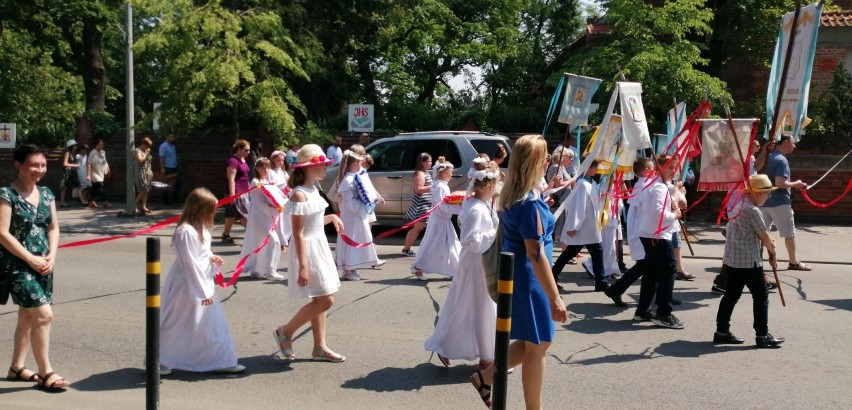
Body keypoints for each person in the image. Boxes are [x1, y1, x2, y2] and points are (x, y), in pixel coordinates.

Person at [469, 134, 568, 409]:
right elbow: (536, 256)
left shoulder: (520, 195)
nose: (549, 160)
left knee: (533, 344)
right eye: (546, 155)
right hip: (530, 278)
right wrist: (555, 297)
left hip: (526, 277)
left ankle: (485, 378)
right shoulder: (529, 204)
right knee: (538, 347)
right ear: (536, 161)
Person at [0, 144, 71, 391]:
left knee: (27, 316)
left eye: (42, 165)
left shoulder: (47, 194)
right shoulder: (6, 195)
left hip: (43, 264)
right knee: (44, 315)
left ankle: (17, 367)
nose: (39, 170)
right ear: (18, 165)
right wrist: (30, 258)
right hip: (17, 266)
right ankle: (45, 372)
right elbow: (2, 233)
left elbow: (52, 227)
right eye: (33, 165)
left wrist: (52, 255)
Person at [159, 188, 245, 374]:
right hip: (186, 285)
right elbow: (189, 263)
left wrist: (212, 258)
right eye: (211, 210)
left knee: (212, 323)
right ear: (198, 209)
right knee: (176, 323)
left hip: (203, 282)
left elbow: (201, 254)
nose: (214, 214)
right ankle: (162, 360)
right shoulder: (185, 232)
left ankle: (221, 360)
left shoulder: (202, 229)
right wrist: (202, 293)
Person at [273, 144, 346, 363]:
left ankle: (320, 347)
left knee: (321, 296)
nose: (325, 168)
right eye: (321, 165)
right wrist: (303, 266)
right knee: (326, 299)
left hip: (319, 245)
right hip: (308, 250)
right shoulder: (299, 195)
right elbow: (298, 232)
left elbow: (312, 221)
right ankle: (285, 331)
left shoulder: (314, 189)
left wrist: (331, 218)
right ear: (307, 168)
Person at [425, 161, 499, 369]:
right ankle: (486, 357)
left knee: (472, 306)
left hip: (479, 261)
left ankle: (478, 351)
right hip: (476, 263)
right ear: (489, 187)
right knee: (479, 307)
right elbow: (469, 240)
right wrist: (496, 234)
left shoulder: (480, 205)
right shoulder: (476, 209)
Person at [714, 174, 785, 348]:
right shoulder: (752, 210)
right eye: (767, 193)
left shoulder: (738, 204)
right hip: (748, 260)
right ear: (758, 193)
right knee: (761, 296)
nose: (768, 197)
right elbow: (765, 236)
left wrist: (770, 250)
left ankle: (721, 331)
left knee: (731, 295)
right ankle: (762, 335)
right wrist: (773, 253)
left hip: (732, 259)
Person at [637, 155, 684, 329]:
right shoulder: (658, 187)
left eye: (675, 167)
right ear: (660, 168)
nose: (674, 171)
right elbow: (658, 213)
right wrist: (674, 215)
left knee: (651, 272)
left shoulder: (655, 185)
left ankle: (642, 310)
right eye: (671, 167)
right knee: (668, 271)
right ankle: (664, 313)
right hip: (657, 235)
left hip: (650, 233)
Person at [604, 158, 656, 313]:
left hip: (642, 231)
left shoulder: (644, 185)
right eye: (653, 168)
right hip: (642, 232)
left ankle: (616, 290)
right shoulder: (645, 186)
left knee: (645, 266)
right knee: (647, 265)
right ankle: (617, 290)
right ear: (646, 170)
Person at [551, 158, 609, 292]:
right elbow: (578, 206)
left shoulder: (592, 183)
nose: (597, 170)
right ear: (589, 167)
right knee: (592, 251)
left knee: (574, 252)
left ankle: (600, 281)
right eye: (595, 167)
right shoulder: (582, 184)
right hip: (583, 227)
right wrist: (573, 226)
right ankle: (601, 281)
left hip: (590, 225)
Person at [760, 134, 811, 271]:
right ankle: (793, 261)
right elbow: (780, 183)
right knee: (789, 233)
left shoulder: (768, 157)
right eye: (793, 143)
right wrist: (797, 184)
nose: (794, 146)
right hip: (780, 202)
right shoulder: (781, 160)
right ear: (786, 142)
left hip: (763, 202)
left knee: (761, 233)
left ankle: (756, 260)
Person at [410, 157, 462, 281]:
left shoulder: (440, 185)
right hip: (440, 221)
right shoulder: (440, 187)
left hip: (442, 220)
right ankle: (418, 268)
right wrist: (460, 208)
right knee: (433, 245)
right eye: (450, 172)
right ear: (444, 173)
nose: (452, 175)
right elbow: (442, 206)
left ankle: (455, 270)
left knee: (450, 244)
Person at [335, 146, 381, 281]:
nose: (361, 164)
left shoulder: (354, 176)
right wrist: (363, 206)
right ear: (354, 164)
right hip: (351, 216)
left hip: (356, 216)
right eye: (359, 163)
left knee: (358, 238)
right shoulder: (348, 180)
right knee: (351, 239)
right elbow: (349, 201)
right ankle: (348, 269)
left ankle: (353, 267)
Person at [241, 158, 285, 281]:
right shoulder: (256, 181)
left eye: (267, 167)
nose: (265, 170)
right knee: (271, 240)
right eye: (262, 167)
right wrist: (271, 205)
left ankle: (259, 269)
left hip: (266, 214)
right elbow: (257, 200)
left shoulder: (266, 181)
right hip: (258, 214)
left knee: (265, 241)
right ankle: (269, 270)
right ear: (257, 168)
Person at [401, 153, 433, 257]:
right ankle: (406, 249)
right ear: (422, 162)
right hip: (421, 205)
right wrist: (433, 186)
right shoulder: (420, 174)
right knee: (417, 228)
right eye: (428, 161)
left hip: (426, 204)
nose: (431, 163)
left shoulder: (425, 173)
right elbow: (418, 190)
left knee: (420, 228)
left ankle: (408, 249)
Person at [222, 139, 252, 244]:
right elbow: (231, 178)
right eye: (246, 150)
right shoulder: (233, 161)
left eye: (249, 150)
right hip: (236, 192)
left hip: (244, 192)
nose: (248, 152)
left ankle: (226, 234)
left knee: (231, 215)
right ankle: (251, 237)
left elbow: (245, 177)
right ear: (239, 149)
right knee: (244, 214)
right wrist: (232, 194)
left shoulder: (243, 159)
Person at [268, 150, 292, 246]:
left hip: (284, 196)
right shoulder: (270, 172)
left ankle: (284, 237)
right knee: (277, 219)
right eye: (278, 160)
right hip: (276, 197)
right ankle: (278, 238)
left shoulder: (283, 172)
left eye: (282, 160)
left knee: (285, 218)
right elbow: (270, 185)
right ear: (273, 160)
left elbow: (288, 181)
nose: (281, 162)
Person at [86, 138, 112, 209]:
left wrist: (108, 169)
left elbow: (105, 162)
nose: (102, 145)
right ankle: (105, 202)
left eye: (102, 144)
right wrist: (88, 175)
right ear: (96, 145)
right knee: (101, 185)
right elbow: (89, 164)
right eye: (100, 144)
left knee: (95, 188)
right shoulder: (92, 153)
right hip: (94, 173)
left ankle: (91, 202)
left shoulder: (103, 152)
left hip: (100, 172)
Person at [132, 137, 155, 214]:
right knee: (143, 189)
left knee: (147, 190)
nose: (148, 147)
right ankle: (134, 205)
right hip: (140, 172)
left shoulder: (146, 151)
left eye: (149, 146)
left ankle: (143, 206)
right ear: (143, 144)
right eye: (147, 145)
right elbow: (140, 160)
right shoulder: (137, 151)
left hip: (147, 172)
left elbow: (148, 162)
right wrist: (146, 154)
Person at [58, 139, 82, 208]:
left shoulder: (72, 154)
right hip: (67, 172)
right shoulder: (67, 153)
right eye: (75, 146)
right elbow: (65, 164)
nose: (76, 147)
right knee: (64, 187)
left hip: (72, 172)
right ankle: (62, 203)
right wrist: (75, 165)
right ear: (72, 146)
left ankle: (81, 200)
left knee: (77, 185)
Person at [158, 133, 180, 205]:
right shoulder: (163, 146)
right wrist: (162, 168)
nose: (173, 138)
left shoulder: (172, 146)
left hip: (174, 167)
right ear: (167, 137)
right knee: (166, 185)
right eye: (171, 137)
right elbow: (162, 158)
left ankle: (174, 199)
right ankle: (166, 201)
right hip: (167, 167)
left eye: (173, 137)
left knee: (178, 184)